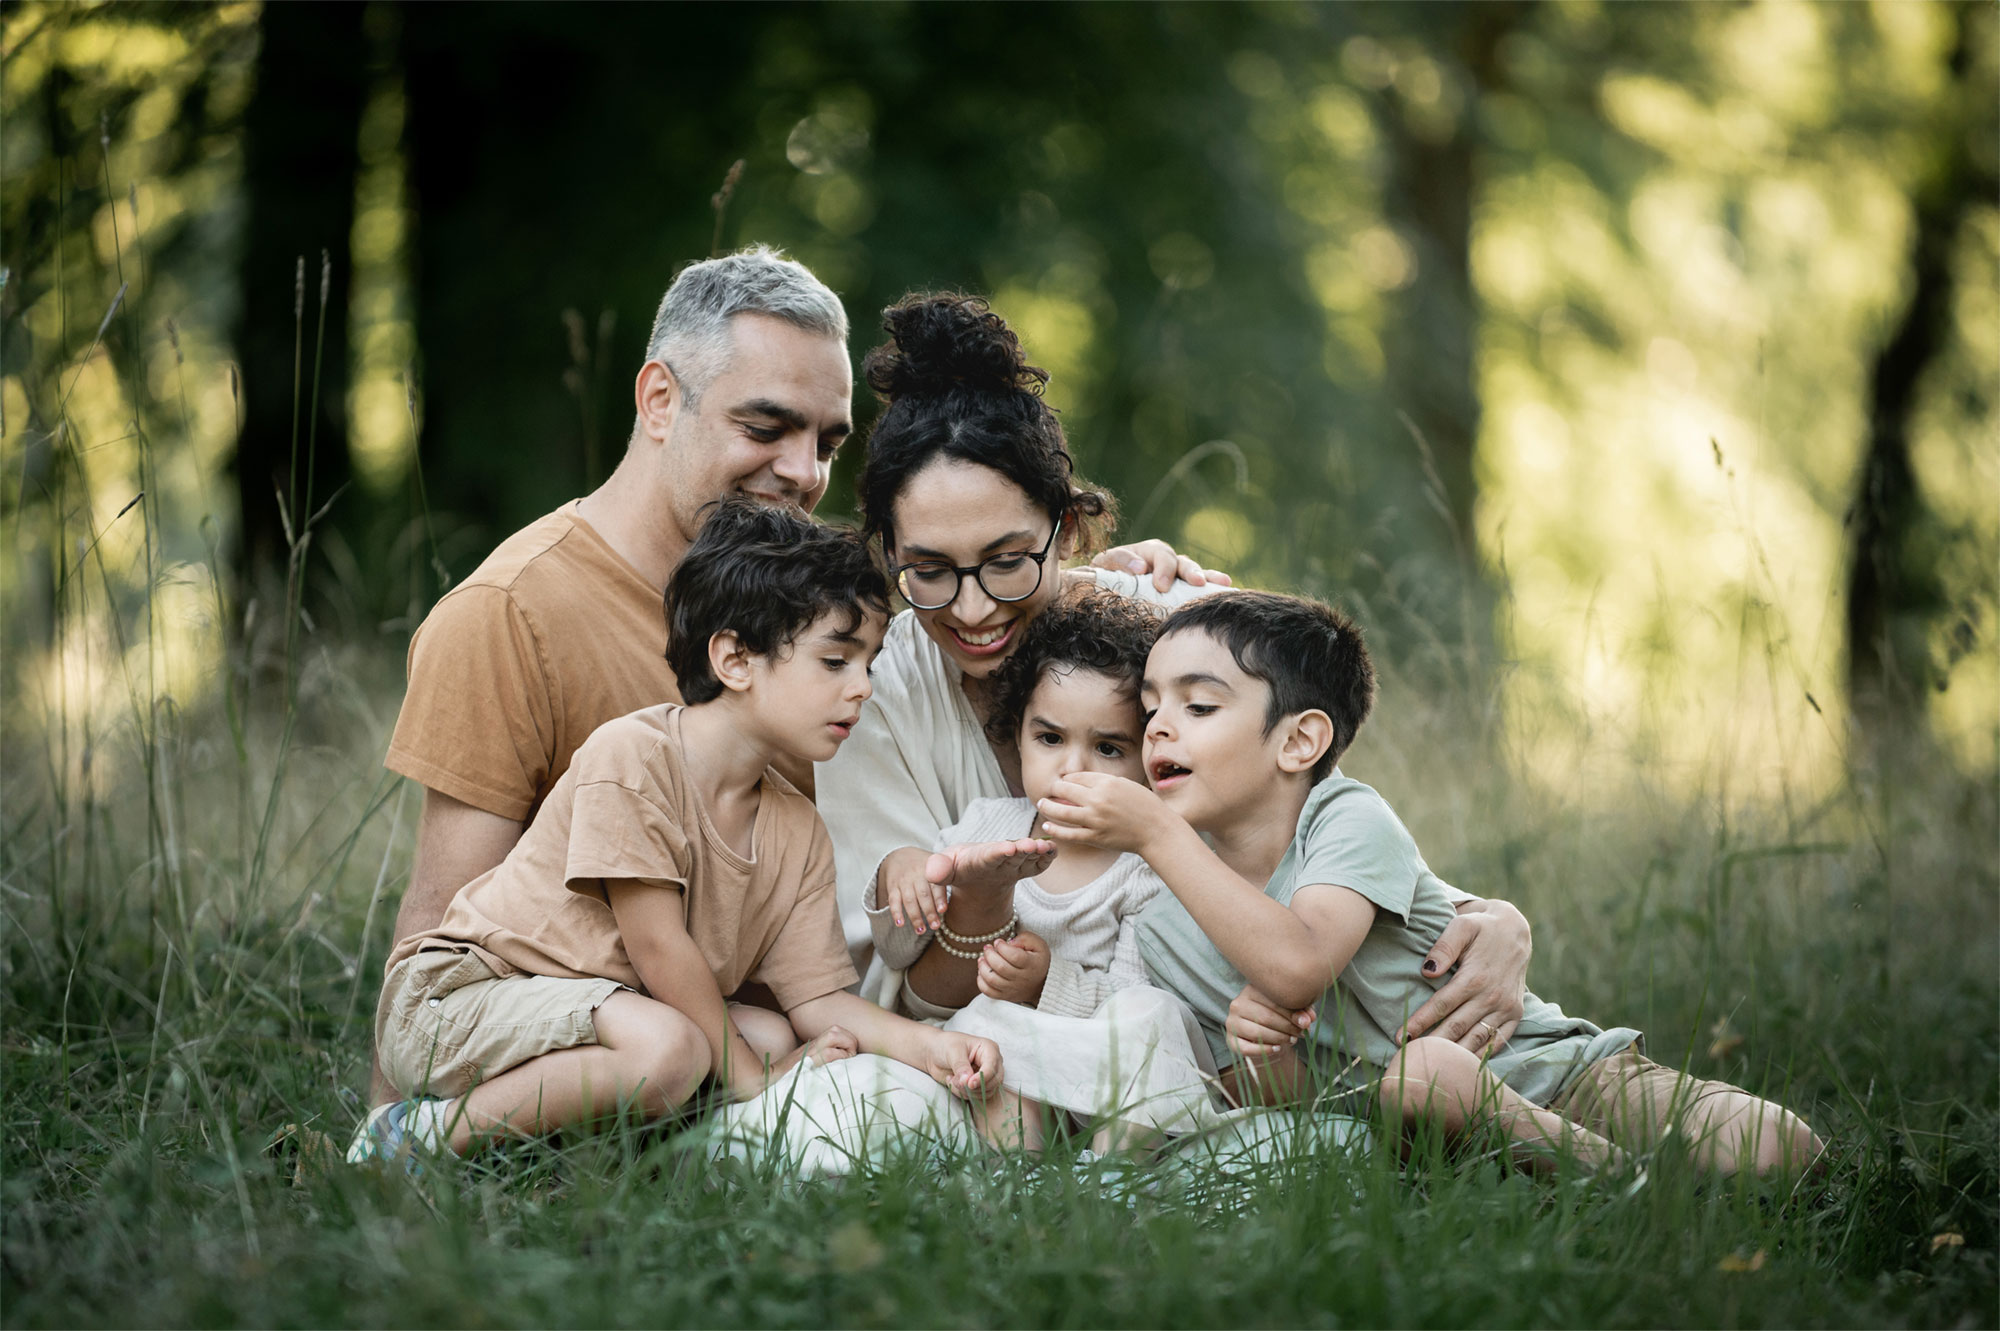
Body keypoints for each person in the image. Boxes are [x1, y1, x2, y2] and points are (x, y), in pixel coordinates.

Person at [373, 248, 1203, 1107]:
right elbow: (440, 929)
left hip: (784, 1031)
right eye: (766, 428)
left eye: (827, 442)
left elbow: (975, 548)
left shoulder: (832, 608)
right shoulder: (513, 614)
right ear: (659, 399)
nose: (805, 473)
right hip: (622, 1029)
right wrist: (382, 1139)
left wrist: (1122, 585)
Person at [819, 292, 1536, 1052]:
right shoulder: (867, 692)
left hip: (1220, 1039)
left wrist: (1481, 913)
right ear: (888, 552)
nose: (970, 609)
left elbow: (1304, 819)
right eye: (928, 570)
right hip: (978, 1050)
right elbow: (903, 994)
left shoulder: (1164, 622)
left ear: (1064, 529)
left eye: (1007, 562)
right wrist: (983, 911)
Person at [1037, 590, 1824, 1175]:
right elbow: (1289, 1099)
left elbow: (1300, 959)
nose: (1161, 727)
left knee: (1777, 1149)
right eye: (1149, 712)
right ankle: (1635, 1193)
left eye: (1198, 704)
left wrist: (1155, 828)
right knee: (1426, 1081)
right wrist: (1261, 1053)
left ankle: (1613, 1173)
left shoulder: (1346, 818)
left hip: (1554, 1073)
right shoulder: (1163, 915)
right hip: (1407, 1126)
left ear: (1300, 739)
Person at [350, 502, 1003, 1163]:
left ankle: (602, 1161)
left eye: (869, 663)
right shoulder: (632, 755)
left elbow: (820, 999)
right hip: (461, 999)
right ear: (735, 659)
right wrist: (756, 1082)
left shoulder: (796, 827)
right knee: (680, 1049)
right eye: (836, 661)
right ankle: (412, 1137)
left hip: (606, 1014)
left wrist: (933, 1048)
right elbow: (659, 947)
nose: (863, 688)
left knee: (772, 1035)